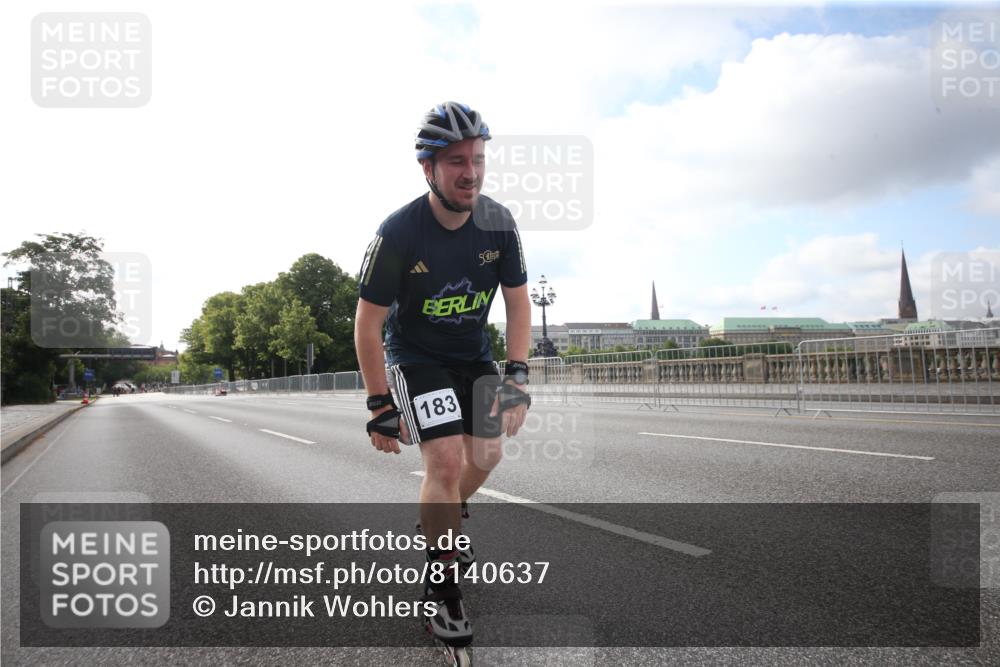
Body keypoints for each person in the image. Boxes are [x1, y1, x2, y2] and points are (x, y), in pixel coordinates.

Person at [354, 101, 531, 652]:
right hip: (417, 358)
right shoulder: (400, 232)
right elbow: (367, 324)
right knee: (446, 461)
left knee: (488, 456)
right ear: (427, 168)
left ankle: (444, 522)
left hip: (474, 358)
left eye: (477, 158)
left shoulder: (498, 223)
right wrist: (379, 402)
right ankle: (441, 581)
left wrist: (516, 376)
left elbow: (519, 306)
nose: (470, 171)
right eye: (455, 160)